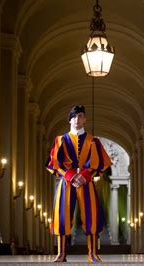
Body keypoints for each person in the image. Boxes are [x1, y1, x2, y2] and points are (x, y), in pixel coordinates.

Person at [46, 105, 111, 263]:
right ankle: (61, 254)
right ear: (70, 119)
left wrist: (85, 175)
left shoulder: (93, 141)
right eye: (74, 117)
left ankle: (93, 254)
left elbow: (103, 163)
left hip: (86, 183)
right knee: (62, 217)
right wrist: (71, 176)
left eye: (80, 116)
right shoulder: (60, 140)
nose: (77, 119)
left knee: (91, 216)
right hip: (67, 183)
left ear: (85, 119)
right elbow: (53, 163)